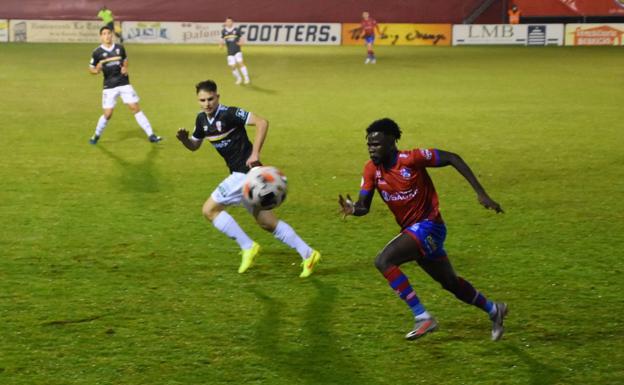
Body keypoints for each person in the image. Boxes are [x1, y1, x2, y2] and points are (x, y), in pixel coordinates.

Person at [338, 118, 507, 341]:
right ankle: (495, 309)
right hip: (414, 231)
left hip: (430, 226)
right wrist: (353, 209)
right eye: (369, 144)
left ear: (392, 142)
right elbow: (364, 207)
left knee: (384, 261)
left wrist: (481, 193)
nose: (372, 149)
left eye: (377, 144)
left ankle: (422, 317)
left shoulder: (411, 159)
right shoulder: (371, 170)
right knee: (451, 283)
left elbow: (452, 158)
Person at [176, 80, 321, 277]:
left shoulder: (230, 113)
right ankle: (309, 253)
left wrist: (255, 154)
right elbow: (194, 145)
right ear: (198, 100)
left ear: (217, 97)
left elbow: (262, 122)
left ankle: (247, 246)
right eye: (202, 100)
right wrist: (185, 140)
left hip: (245, 173)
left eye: (210, 99)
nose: (207, 103)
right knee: (267, 223)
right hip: (243, 177)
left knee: (209, 210)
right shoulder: (201, 120)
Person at [88, 26, 161, 144]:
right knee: (108, 114)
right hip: (109, 86)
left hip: (124, 83)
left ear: (112, 35)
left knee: (135, 107)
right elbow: (91, 69)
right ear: (101, 36)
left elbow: (125, 60)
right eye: (104, 34)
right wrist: (96, 70)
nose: (107, 36)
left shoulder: (120, 48)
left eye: (108, 33)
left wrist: (125, 67)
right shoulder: (97, 52)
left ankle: (151, 135)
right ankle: (96, 135)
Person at [220, 17, 250, 85]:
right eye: (227, 21)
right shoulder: (224, 31)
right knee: (232, 66)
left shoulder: (237, 30)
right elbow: (222, 39)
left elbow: (242, 38)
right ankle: (239, 78)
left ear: (232, 22)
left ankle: (246, 78)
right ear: (225, 23)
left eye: (229, 21)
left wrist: (241, 43)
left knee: (240, 63)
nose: (228, 23)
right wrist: (221, 44)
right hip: (230, 52)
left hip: (237, 50)